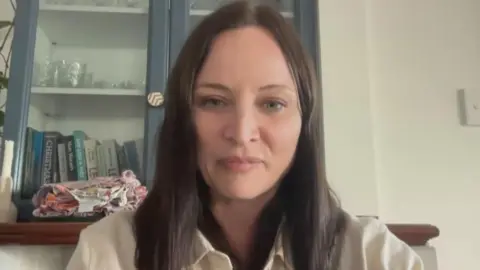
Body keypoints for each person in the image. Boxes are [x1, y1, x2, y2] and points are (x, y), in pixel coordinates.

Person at [66, 1, 424, 270]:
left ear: (305, 121)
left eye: (272, 104)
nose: (241, 132)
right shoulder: (109, 252)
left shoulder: (372, 255)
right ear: (181, 117)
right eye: (213, 100)